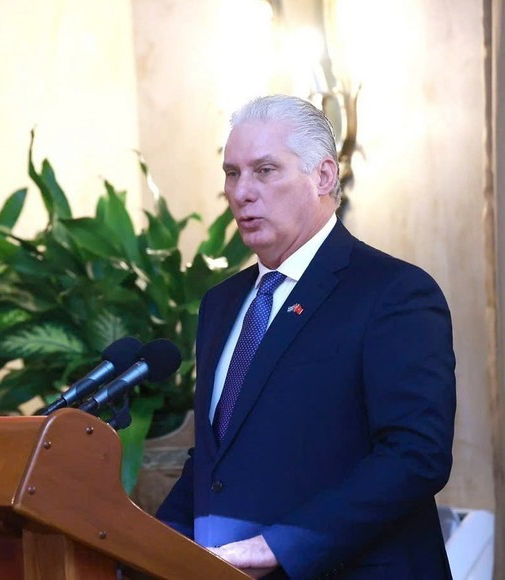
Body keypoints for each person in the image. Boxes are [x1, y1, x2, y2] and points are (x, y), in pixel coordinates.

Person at [156, 95, 456, 579]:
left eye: (265, 170)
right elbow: (215, 460)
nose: (241, 192)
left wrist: (280, 546)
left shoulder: (392, 292)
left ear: (323, 176)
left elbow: (415, 455)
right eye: (232, 173)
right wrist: (146, 546)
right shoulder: (221, 304)